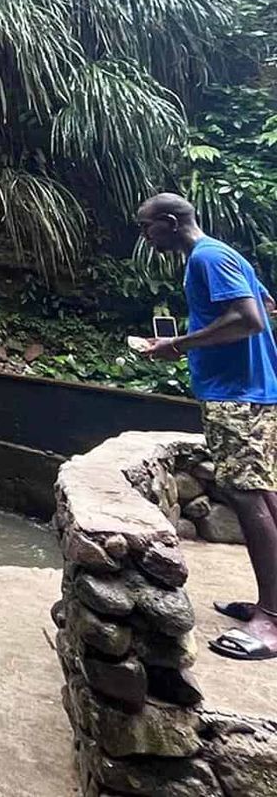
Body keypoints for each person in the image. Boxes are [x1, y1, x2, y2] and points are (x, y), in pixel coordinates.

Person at [137, 192, 277, 661]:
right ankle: (271, 602)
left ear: (172, 223)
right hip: (252, 391)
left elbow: (252, 318)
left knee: (247, 498)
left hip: (237, 395)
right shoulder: (222, 254)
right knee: (264, 496)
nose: (145, 236)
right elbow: (267, 304)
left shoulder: (206, 257)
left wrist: (178, 343)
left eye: (148, 228)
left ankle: (272, 621)